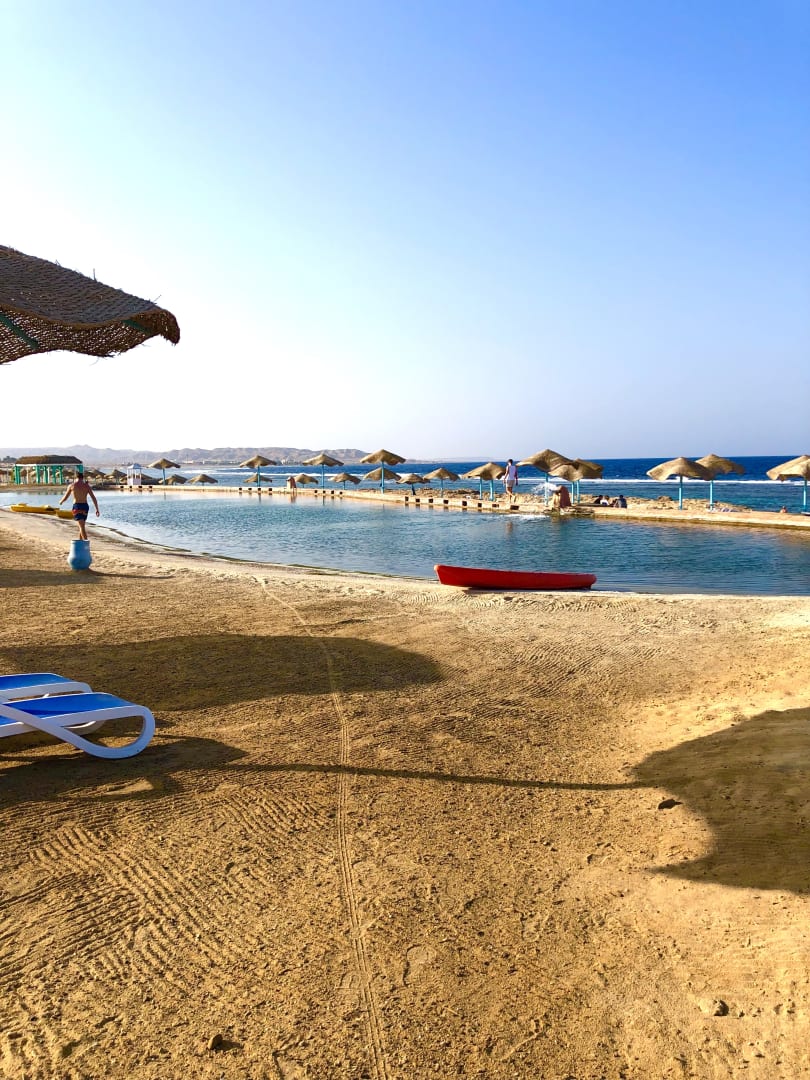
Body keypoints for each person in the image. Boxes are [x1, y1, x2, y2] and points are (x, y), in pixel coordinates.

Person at [59, 466, 99, 540]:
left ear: (76, 478)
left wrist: (61, 502)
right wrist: (97, 509)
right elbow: (93, 498)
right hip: (85, 506)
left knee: (81, 526)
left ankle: (86, 543)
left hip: (77, 507)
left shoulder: (72, 486)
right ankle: (80, 543)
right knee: (82, 525)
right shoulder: (87, 486)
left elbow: (66, 497)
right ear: (82, 478)